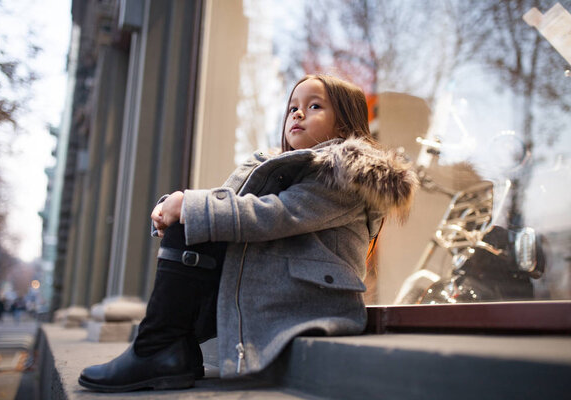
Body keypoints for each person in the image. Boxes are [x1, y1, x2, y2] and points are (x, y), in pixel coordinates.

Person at [78, 74, 418, 392]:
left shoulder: (343, 178)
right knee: (195, 222)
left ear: (344, 125)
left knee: (198, 216)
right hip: (284, 288)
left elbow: (275, 215)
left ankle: (158, 347)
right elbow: (230, 206)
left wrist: (190, 206)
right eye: (292, 107)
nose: (298, 113)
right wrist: (178, 208)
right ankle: (167, 347)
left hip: (311, 302)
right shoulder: (284, 169)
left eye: (314, 106)